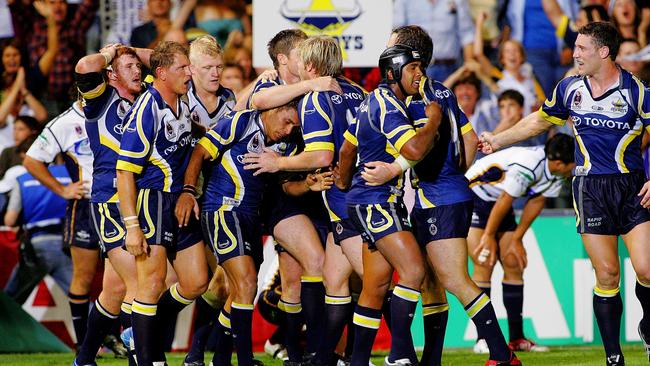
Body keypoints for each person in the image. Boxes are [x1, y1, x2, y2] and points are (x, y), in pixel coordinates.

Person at [479, 21, 650, 365]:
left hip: (631, 187)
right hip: (590, 189)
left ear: (604, 52)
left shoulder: (637, 92)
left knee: (647, 270)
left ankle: (648, 327)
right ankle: (614, 356)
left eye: (583, 48)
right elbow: (538, 121)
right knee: (607, 274)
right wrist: (498, 140)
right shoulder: (570, 88)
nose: (575, 54)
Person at [359, 26, 519, 366]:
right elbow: (471, 141)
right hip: (442, 194)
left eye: (391, 47)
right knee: (430, 284)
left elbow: (419, 146)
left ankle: (501, 354)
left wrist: (397, 170)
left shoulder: (415, 98)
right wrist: (456, 171)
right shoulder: (442, 91)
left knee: (454, 280)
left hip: (437, 198)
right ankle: (430, 360)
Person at [243, 35, 367, 366]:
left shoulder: (336, 90)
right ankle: (302, 350)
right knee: (309, 270)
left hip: (324, 190)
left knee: (340, 277)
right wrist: (313, 86)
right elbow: (256, 102)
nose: (303, 57)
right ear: (285, 60)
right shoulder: (274, 85)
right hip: (283, 192)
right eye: (298, 50)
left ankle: (324, 352)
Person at [335, 44, 441, 366]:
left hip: (368, 201)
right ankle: (398, 355)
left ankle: (358, 361)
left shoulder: (373, 101)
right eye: (413, 68)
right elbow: (412, 149)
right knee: (413, 270)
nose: (419, 74)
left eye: (421, 67)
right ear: (394, 73)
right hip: (377, 202)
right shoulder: (389, 106)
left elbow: (347, 149)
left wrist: (343, 183)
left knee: (375, 287)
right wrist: (433, 121)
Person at [175, 99, 301, 366]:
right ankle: (243, 359)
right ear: (273, 110)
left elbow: (287, 187)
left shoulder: (286, 145)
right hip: (222, 209)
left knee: (238, 290)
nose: (289, 130)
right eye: (287, 121)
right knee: (244, 283)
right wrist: (188, 191)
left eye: (295, 125)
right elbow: (200, 151)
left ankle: (220, 358)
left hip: (251, 218)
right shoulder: (241, 122)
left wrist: (309, 185)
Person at [116, 41, 209, 366]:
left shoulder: (181, 103)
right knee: (151, 283)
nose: (189, 72)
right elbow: (124, 173)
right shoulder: (146, 111)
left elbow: (186, 136)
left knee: (197, 281)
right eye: (182, 68)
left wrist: (206, 132)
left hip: (182, 200)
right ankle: (147, 358)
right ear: (162, 74)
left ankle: (143, 331)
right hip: (153, 201)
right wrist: (131, 226)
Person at [73, 43, 151, 366]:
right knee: (141, 283)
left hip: (140, 198)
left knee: (114, 292)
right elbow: (84, 66)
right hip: (110, 201)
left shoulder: (147, 100)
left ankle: (84, 359)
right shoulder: (102, 101)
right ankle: (142, 360)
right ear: (110, 75)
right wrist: (110, 54)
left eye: (138, 66)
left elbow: (168, 62)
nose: (137, 70)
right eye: (128, 66)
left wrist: (131, 50)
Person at [466, 134, 574, 354]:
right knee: (484, 262)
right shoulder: (529, 164)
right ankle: (483, 339)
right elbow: (506, 199)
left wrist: (516, 238)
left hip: (498, 204)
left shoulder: (555, 170)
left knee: (514, 263)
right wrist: (488, 235)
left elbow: (538, 200)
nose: (574, 168)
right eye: (573, 164)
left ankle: (516, 338)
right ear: (560, 163)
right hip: (473, 197)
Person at [181, 34, 235, 366]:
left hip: (223, 199)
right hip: (185, 200)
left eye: (219, 67)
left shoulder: (231, 100)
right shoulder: (179, 101)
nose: (215, 73)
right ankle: (143, 344)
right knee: (183, 281)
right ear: (191, 69)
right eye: (208, 67)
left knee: (224, 282)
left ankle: (202, 354)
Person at [3, 137, 72, 301]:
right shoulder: (71, 175)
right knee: (79, 298)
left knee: (9, 302)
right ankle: (104, 328)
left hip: (36, 245)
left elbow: (9, 220)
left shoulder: (23, 180)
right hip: (67, 244)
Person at [9, 0, 98, 114]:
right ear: (42, 6)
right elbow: (15, 5)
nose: (57, 7)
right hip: (44, 98)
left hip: (73, 95)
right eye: (52, 2)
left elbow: (90, 4)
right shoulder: (33, 26)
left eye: (61, 2)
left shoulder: (74, 24)